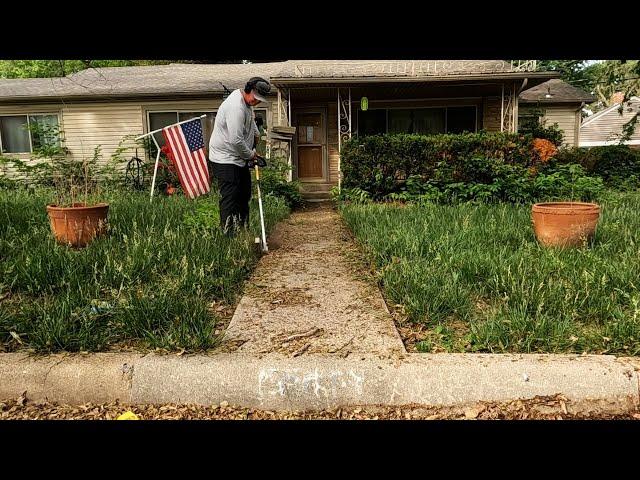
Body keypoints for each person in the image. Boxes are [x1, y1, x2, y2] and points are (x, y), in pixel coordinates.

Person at [209, 77, 271, 234]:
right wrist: (251, 155)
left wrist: (256, 135)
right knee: (231, 198)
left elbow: (250, 124)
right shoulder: (235, 107)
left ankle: (243, 231)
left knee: (244, 195)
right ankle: (229, 237)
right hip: (225, 159)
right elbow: (236, 140)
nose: (256, 102)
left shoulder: (247, 103)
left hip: (239, 158)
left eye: (260, 100)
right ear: (248, 89)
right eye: (256, 98)